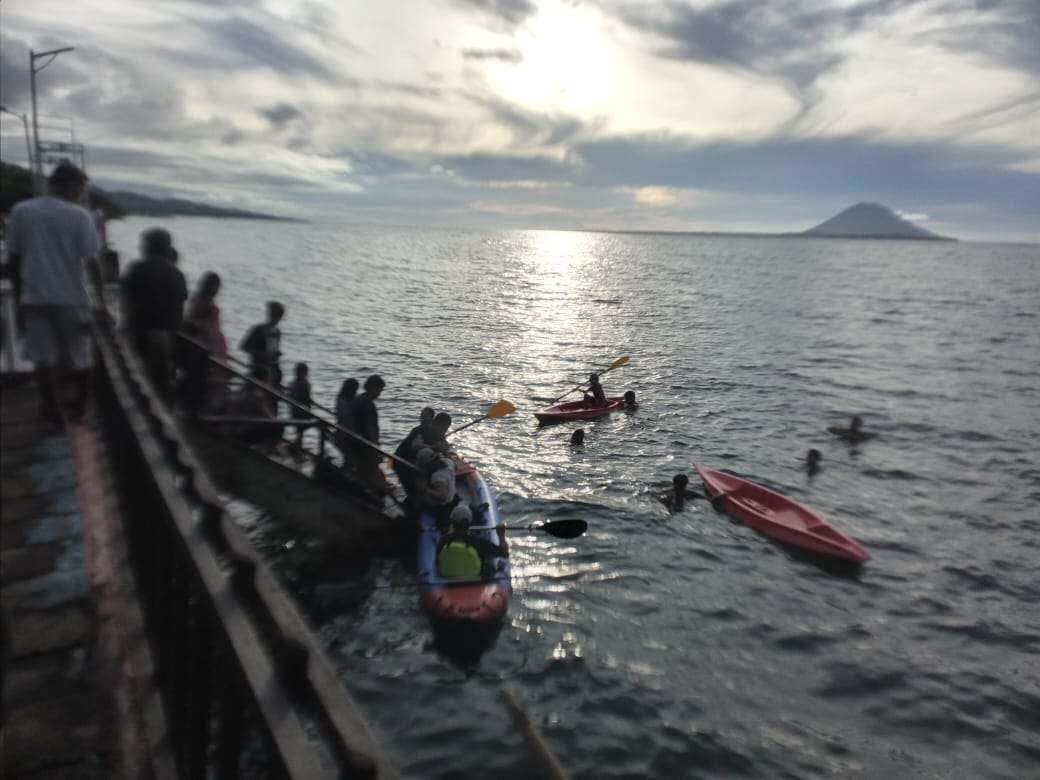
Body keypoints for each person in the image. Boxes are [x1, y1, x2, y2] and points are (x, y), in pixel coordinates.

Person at [5, 161, 104, 424]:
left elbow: (13, 260)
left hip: (33, 297)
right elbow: (92, 262)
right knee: (80, 355)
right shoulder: (81, 216)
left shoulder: (21, 211)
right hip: (72, 299)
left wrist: (17, 298)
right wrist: (101, 302)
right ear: (71, 186)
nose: (82, 193)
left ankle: (51, 408)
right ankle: (79, 408)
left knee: (42, 358)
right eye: (81, 188)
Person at [120, 228, 188, 398]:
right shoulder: (177, 274)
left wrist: (124, 329)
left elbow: (126, 303)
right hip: (167, 337)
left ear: (148, 246)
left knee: (136, 381)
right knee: (160, 383)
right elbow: (179, 309)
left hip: (140, 334)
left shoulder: (136, 269)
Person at [435, 503, 508, 579]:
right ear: (470, 523)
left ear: (452, 522)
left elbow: (438, 560)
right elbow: (504, 554)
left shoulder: (443, 541)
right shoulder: (479, 542)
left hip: (448, 577)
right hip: (475, 578)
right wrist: (501, 535)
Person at [350, 374, 388, 491]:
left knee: (364, 471)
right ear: (373, 387)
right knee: (371, 471)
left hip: (356, 442)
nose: (379, 394)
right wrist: (375, 445)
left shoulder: (359, 399)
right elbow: (369, 427)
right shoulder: (368, 404)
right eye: (379, 390)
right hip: (365, 444)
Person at [240, 300, 285, 387]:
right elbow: (244, 347)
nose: (277, 318)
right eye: (275, 315)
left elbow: (274, 352)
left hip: (272, 370)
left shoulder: (277, 332)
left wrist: (276, 354)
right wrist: (261, 354)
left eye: (279, 316)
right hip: (258, 368)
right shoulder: (259, 329)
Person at [394, 407, 436, 493]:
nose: (422, 418)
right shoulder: (419, 430)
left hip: (405, 461)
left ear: (432, 419)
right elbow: (415, 445)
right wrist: (433, 447)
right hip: (401, 462)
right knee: (412, 488)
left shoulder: (429, 430)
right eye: (421, 415)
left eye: (424, 416)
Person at [287, 362, 313, 453]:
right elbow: (306, 397)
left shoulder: (292, 383)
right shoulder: (304, 383)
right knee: (301, 432)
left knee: (299, 432)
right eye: (305, 372)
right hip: (301, 411)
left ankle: (296, 447)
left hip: (295, 410)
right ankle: (296, 448)